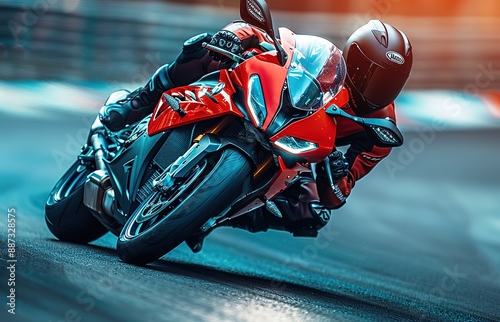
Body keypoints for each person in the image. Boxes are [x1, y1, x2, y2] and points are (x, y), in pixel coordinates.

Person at [100, 19, 413, 252]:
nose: (378, 88)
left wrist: (338, 172)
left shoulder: (380, 129)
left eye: (389, 82)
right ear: (354, 61)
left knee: (313, 209)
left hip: (306, 146)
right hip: (275, 109)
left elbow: (338, 194)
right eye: (371, 74)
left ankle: (210, 214)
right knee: (203, 50)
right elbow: (268, 38)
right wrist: (232, 36)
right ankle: (139, 101)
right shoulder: (328, 67)